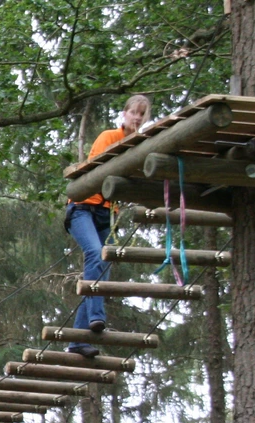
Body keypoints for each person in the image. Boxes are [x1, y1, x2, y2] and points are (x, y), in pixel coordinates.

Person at [65, 94, 150, 359]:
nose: (136, 117)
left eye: (142, 114)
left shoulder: (141, 144)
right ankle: (96, 320)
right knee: (95, 254)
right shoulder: (109, 136)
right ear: (124, 114)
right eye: (133, 112)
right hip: (82, 207)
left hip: (106, 213)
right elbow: (100, 167)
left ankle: (78, 339)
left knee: (100, 268)